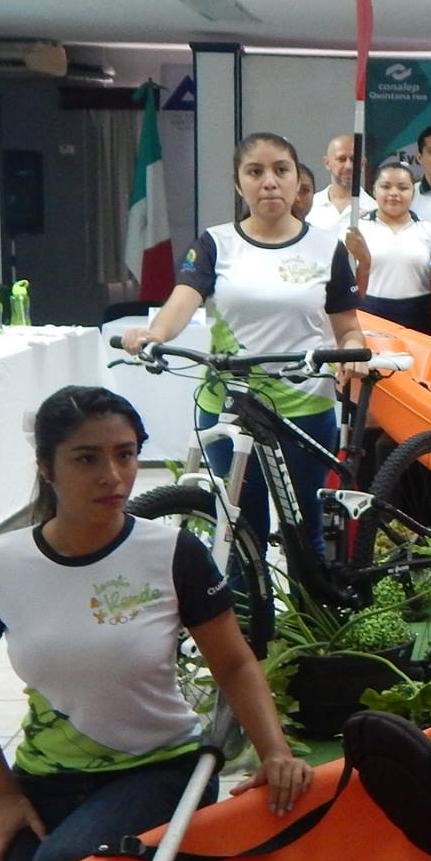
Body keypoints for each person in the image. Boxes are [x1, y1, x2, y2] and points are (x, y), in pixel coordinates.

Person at [0, 386, 312, 861]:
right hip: (47, 777)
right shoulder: (0, 564)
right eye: (86, 458)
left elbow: (234, 664)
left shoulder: (172, 552)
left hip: (162, 769)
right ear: (46, 467)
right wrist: (3, 796)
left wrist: (275, 752)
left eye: (126, 454)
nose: (112, 476)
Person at [120, 133, 365, 550]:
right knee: (238, 529)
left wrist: (351, 352)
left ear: (297, 180)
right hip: (228, 405)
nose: (269, 182)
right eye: (255, 172)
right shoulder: (215, 244)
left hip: (305, 406)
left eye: (281, 170)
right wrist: (153, 334)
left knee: (304, 528)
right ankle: (245, 597)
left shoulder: (328, 249)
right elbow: (183, 300)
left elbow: (348, 328)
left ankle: (313, 595)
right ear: (239, 184)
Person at [347, 157, 431, 333]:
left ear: (413, 192)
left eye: (403, 188)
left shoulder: (430, 232)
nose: (394, 193)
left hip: (418, 316)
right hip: (370, 314)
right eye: (386, 186)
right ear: (374, 190)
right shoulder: (356, 231)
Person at [304, 134, 358, 233]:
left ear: (362, 164)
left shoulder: (373, 209)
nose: (348, 166)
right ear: (327, 163)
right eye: (341, 159)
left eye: (353, 160)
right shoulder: (309, 206)